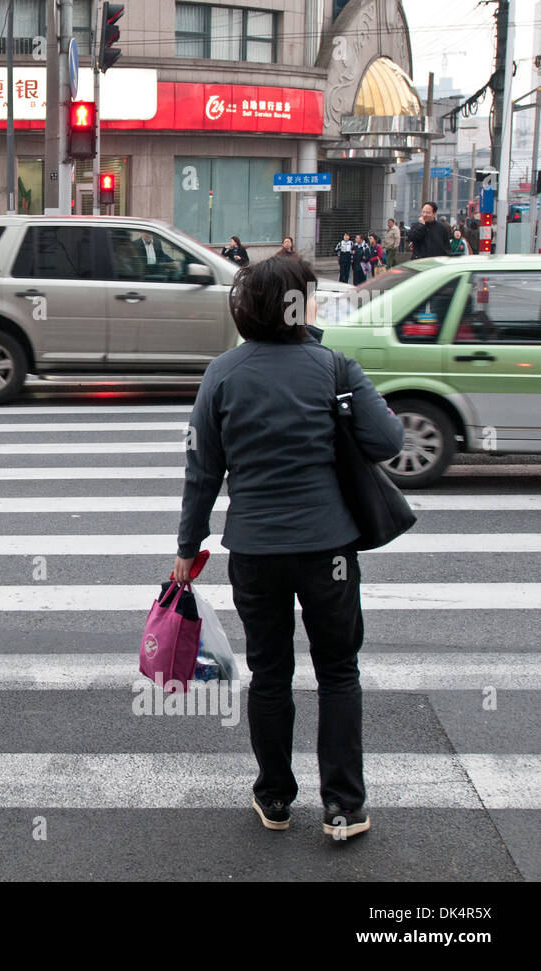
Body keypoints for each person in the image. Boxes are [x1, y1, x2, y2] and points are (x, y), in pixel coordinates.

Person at [175, 255, 403, 840]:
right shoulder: (333, 367)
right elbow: (385, 440)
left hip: (255, 551)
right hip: (329, 549)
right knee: (338, 672)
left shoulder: (221, 374)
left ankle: (275, 798)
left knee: (270, 673)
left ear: (243, 310)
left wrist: (187, 547)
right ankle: (344, 808)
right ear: (302, 307)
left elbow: (203, 471)